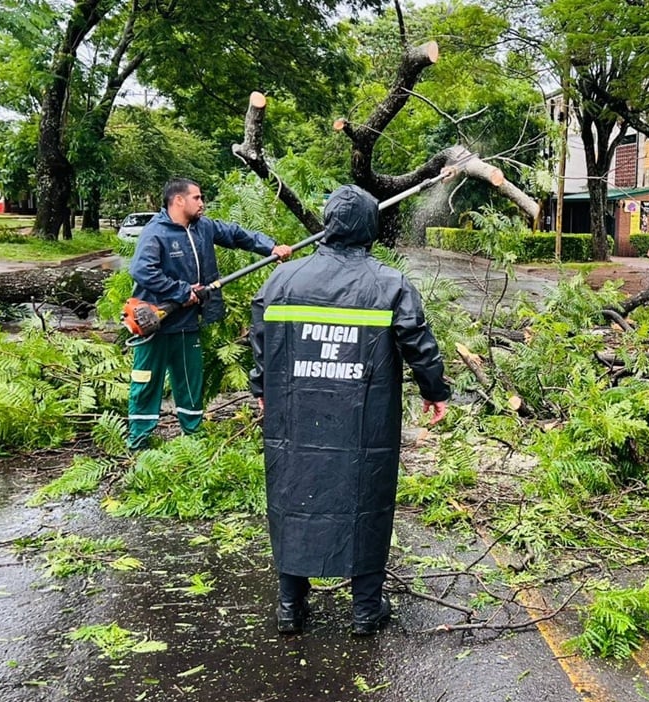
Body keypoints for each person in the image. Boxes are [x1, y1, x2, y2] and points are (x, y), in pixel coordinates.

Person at [249, 185, 450, 637]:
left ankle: (289, 606)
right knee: (366, 499)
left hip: (295, 416)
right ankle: (364, 610)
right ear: (369, 228)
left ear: (327, 224)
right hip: (366, 418)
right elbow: (418, 342)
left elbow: (260, 338)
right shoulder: (389, 284)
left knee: (292, 496)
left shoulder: (282, 280)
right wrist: (434, 391)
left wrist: (261, 387)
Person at [126, 178, 292, 450]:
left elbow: (237, 234)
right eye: (197, 198)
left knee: (190, 379)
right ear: (178, 200)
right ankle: (139, 439)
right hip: (154, 321)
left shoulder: (203, 228)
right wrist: (181, 291)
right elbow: (142, 270)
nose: (202, 203)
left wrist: (271, 247)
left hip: (187, 321)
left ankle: (193, 434)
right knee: (146, 379)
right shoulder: (156, 233)